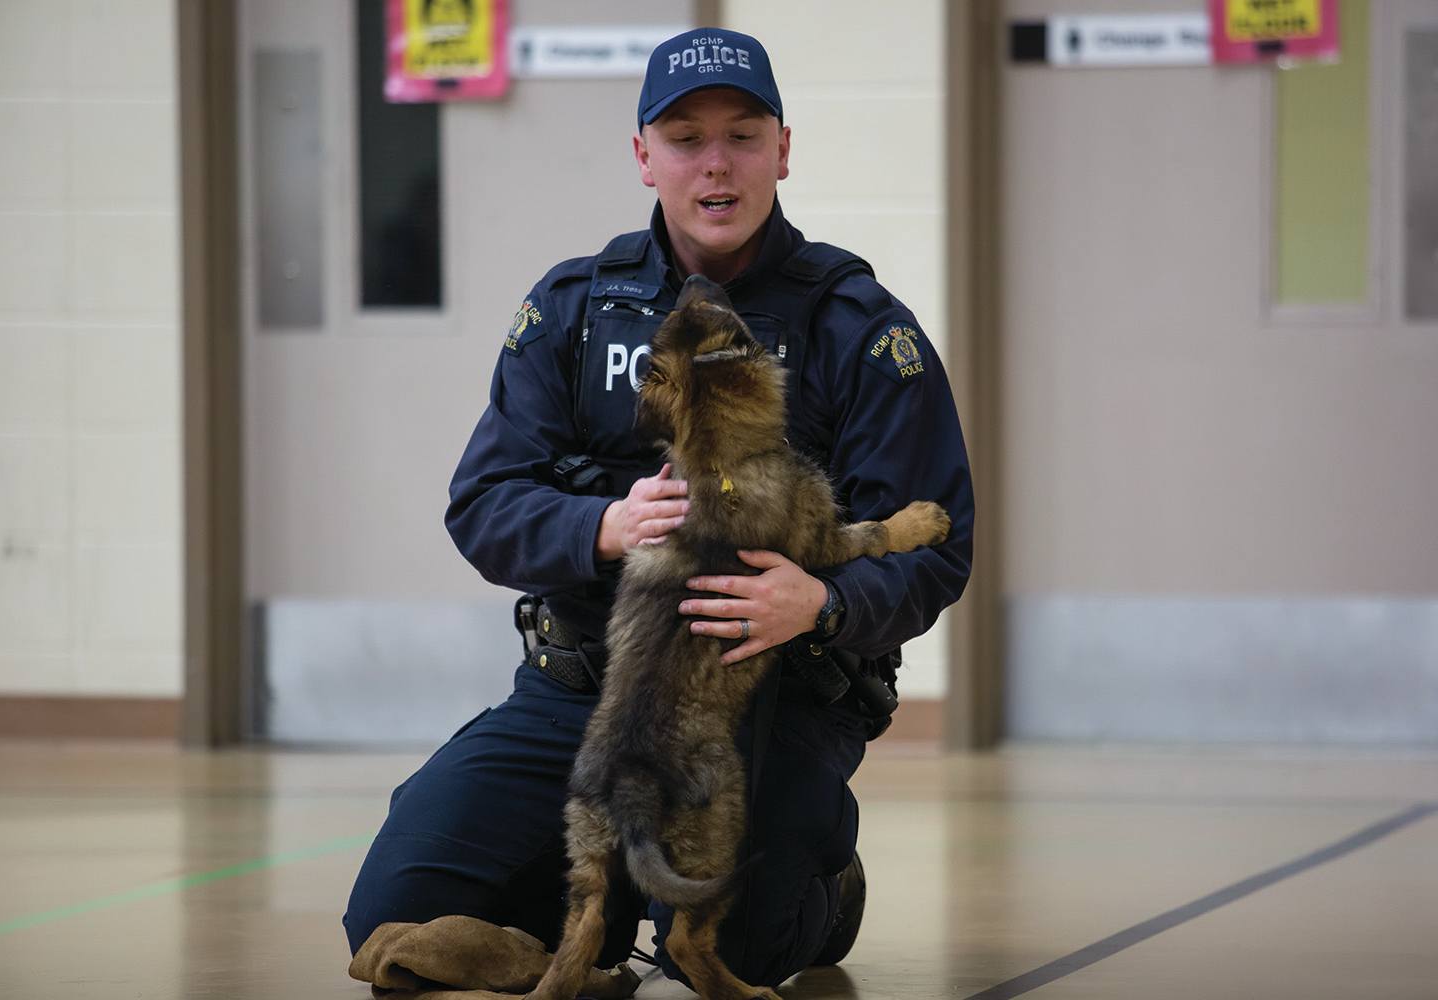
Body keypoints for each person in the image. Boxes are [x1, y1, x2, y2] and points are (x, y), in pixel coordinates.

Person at [343, 26, 974, 992]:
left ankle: (823, 877)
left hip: (769, 699)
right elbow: (484, 503)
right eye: (685, 137)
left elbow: (939, 547)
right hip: (584, 694)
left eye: (742, 135)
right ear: (644, 155)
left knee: (738, 948)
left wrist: (824, 605)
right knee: (394, 914)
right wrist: (603, 526)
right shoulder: (573, 310)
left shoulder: (858, 326)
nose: (715, 164)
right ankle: (576, 939)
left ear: (783, 150)